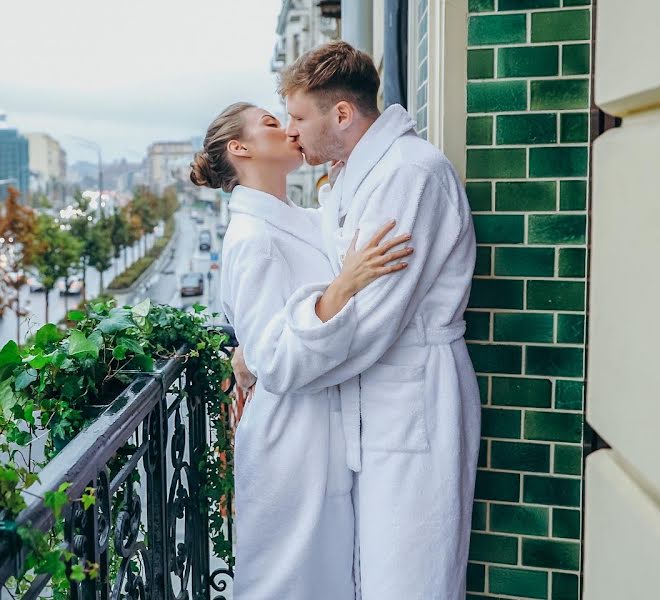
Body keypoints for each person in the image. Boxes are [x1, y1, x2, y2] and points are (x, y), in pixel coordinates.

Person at [232, 41, 481, 599]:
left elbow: (369, 319)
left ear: (341, 113)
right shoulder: (355, 177)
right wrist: (259, 347)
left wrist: (275, 356)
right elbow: (332, 281)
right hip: (371, 410)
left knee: (409, 580)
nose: (292, 132)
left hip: (414, 401)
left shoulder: (410, 176)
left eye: (298, 116)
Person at [191, 101, 412, 599]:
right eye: (272, 123)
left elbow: (260, 343)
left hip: (324, 432)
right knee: (288, 583)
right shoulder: (251, 239)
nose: (289, 129)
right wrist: (344, 287)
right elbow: (276, 362)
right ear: (240, 148)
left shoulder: (298, 220)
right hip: (289, 443)